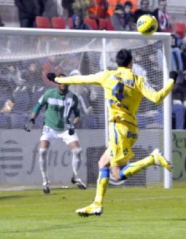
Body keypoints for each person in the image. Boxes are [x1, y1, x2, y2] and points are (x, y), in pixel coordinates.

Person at [48, 49, 177, 216]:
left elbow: (81, 79)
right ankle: (97, 204)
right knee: (103, 163)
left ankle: (152, 159)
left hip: (118, 128)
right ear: (131, 64)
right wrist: (172, 80)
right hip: (131, 128)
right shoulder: (138, 79)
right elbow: (157, 98)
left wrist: (58, 79)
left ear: (117, 63)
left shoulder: (106, 76)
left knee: (116, 175)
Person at [24, 74, 86, 194]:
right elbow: (38, 106)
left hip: (65, 128)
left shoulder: (73, 97)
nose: (64, 84)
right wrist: (32, 119)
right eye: (62, 82)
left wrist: (73, 124)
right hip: (49, 128)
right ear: (58, 83)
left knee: (78, 151)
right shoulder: (49, 94)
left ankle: (75, 177)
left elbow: (78, 115)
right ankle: (45, 181)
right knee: (42, 151)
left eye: (66, 82)